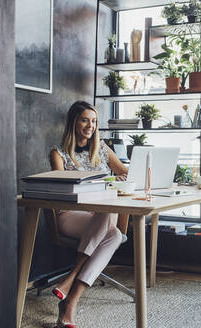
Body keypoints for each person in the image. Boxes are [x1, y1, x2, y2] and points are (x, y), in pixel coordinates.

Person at [49, 100, 128, 328]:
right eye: (85, 120)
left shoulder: (102, 149)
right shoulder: (59, 153)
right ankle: (72, 277)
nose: (90, 126)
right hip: (71, 216)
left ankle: (70, 300)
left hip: (100, 217)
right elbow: (61, 189)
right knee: (108, 217)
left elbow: (125, 172)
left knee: (113, 234)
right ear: (74, 122)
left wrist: (122, 178)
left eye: (94, 121)